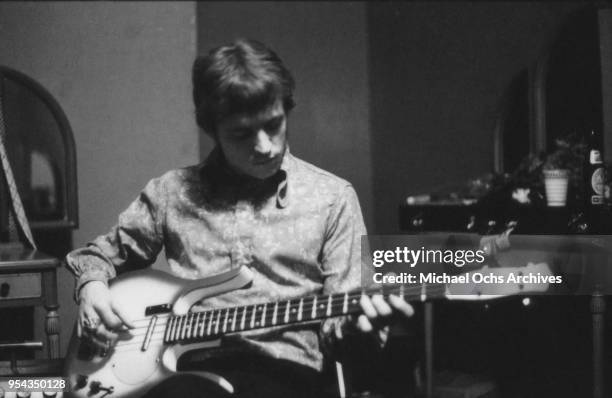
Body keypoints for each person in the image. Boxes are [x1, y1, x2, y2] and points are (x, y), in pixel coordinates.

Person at [65, 38, 414, 397]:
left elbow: (341, 334)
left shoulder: (333, 198)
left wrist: (361, 326)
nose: (264, 146)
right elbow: (97, 256)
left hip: (287, 376)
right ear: (213, 129)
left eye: (273, 125)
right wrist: (92, 287)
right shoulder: (171, 193)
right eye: (242, 134)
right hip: (181, 376)